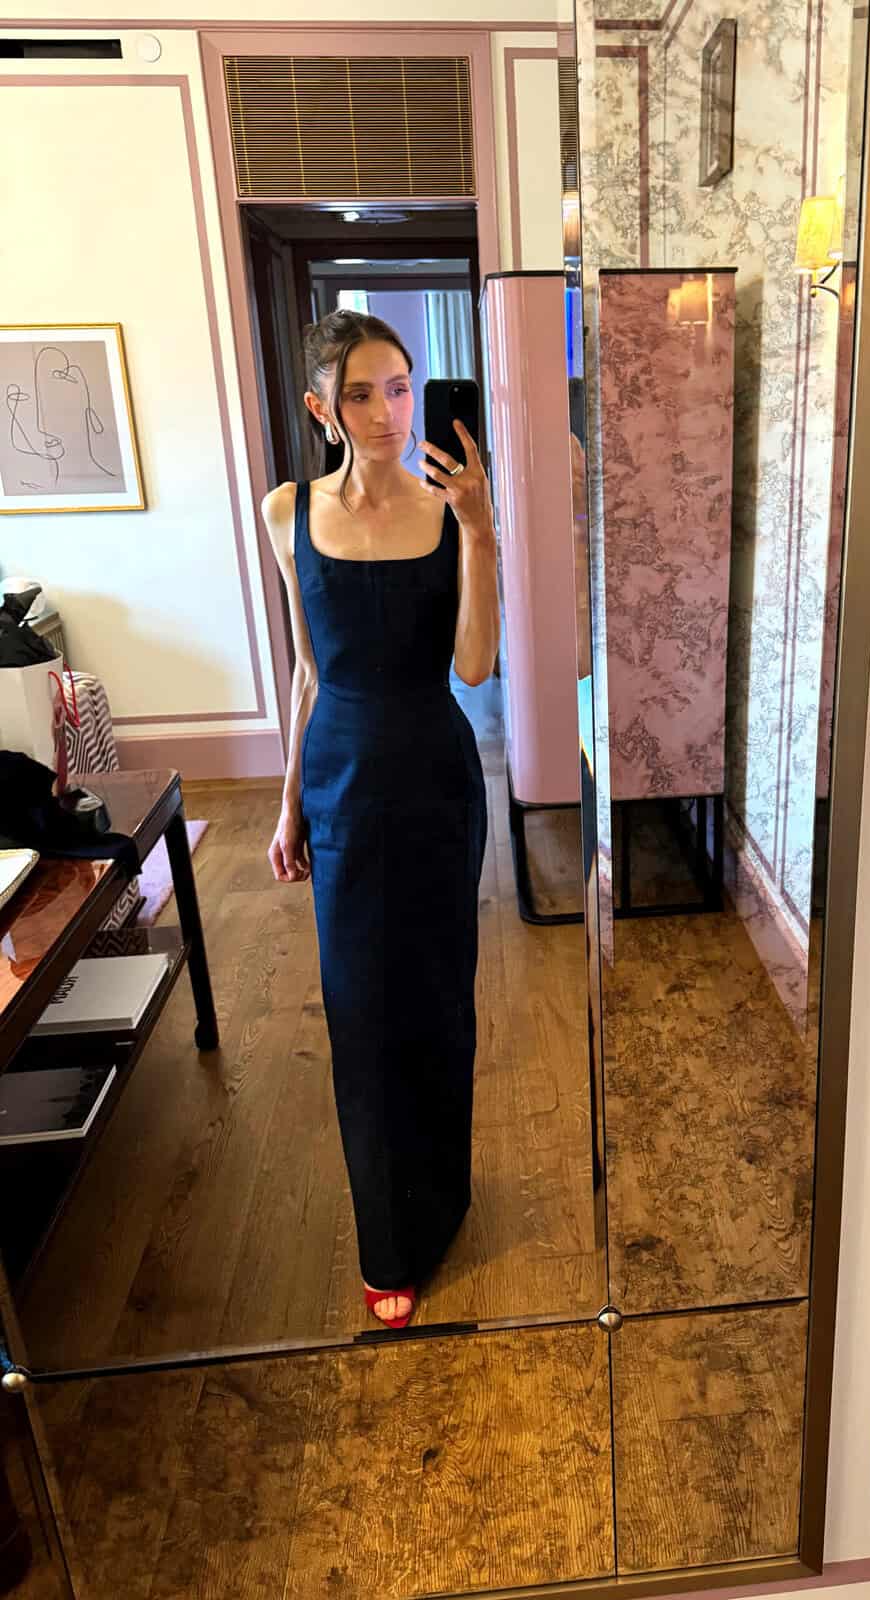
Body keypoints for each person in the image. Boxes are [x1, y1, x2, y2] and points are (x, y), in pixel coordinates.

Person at [261, 309, 500, 1330]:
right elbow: (308, 671)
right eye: (359, 393)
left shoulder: (449, 509)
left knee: (438, 1001)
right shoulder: (286, 511)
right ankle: (388, 1240)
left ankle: (441, 1198)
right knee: (360, 1012)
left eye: (399, 387)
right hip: (339, 785)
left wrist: (482, 529)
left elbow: (475, 665)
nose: (387, 411)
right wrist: (286, 803)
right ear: (322, 408)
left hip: (435, 774)